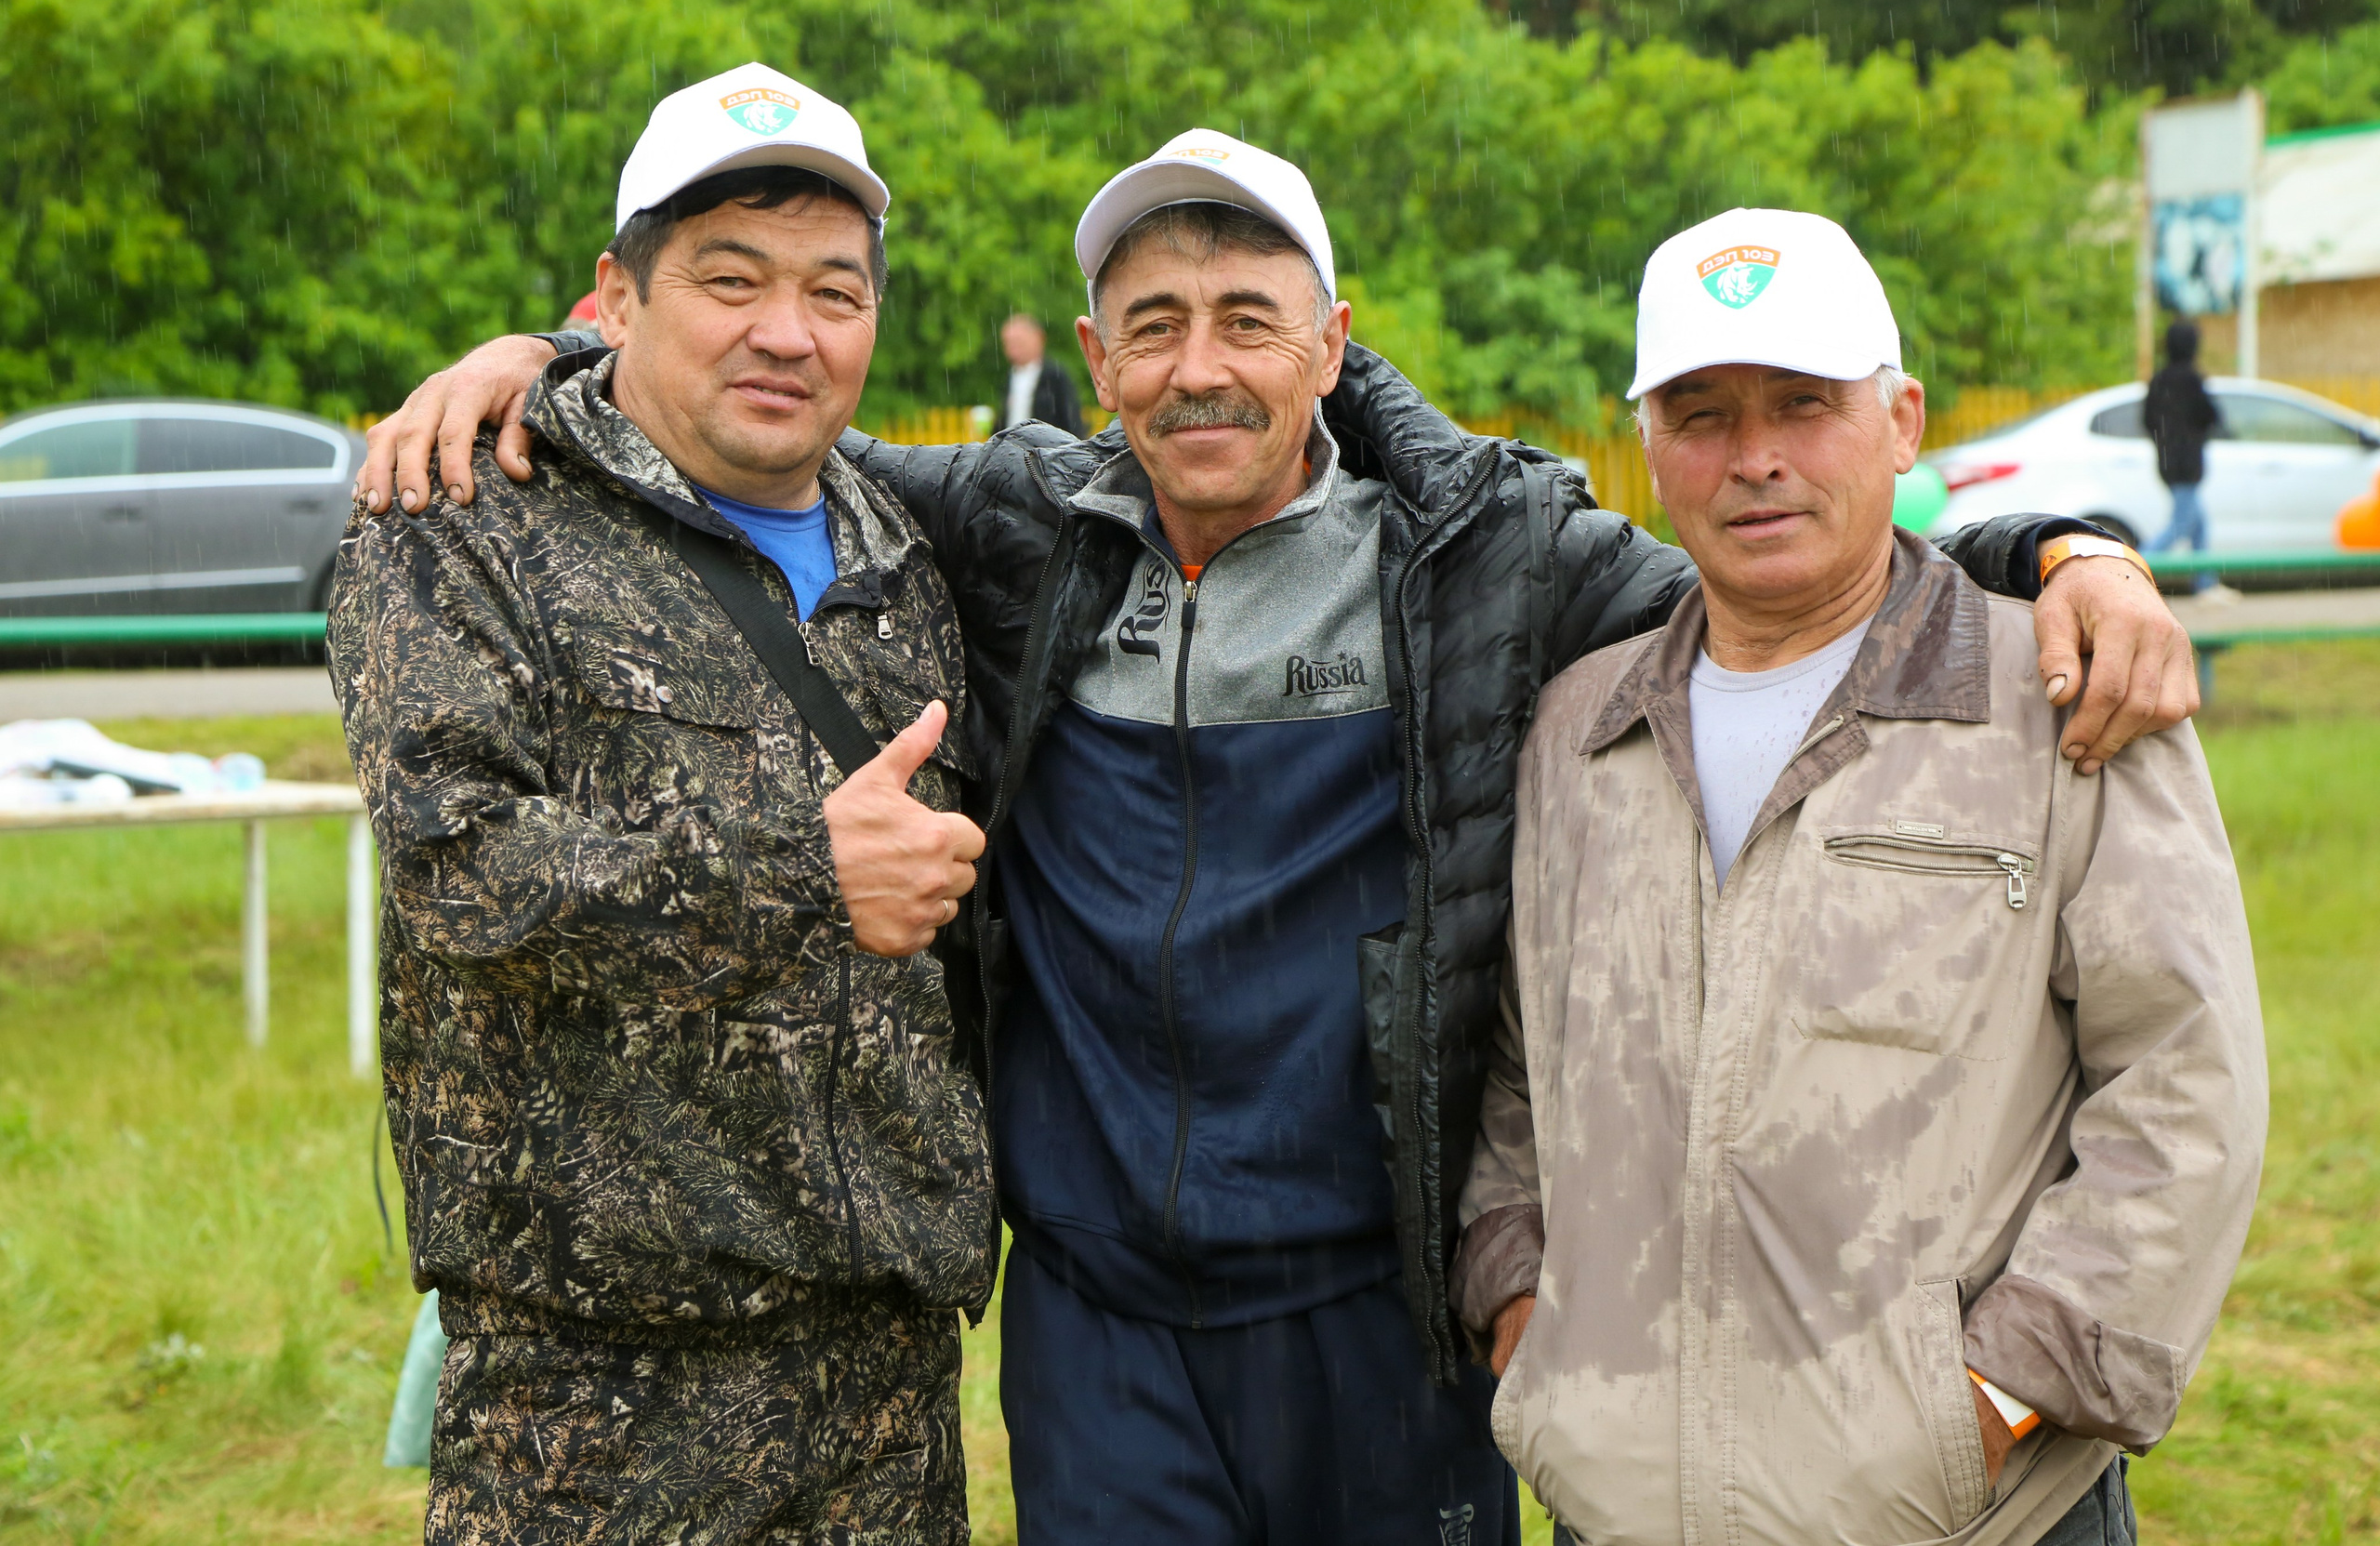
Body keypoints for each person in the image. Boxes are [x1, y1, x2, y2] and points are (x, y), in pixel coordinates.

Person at [355, 130, 2200, 1545]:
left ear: (1331, 339)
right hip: (1092, 1315)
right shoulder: (1014, 528)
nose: (1200, 368)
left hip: (1374, 1311)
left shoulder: (1485, 564)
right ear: (1093, 356)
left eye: (1249, 318)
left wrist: (2058, 552)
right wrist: (547, 356)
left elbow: (1773, 551)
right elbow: (747, 417)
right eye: (1152, 326)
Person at [1455, 209, 2267, 1546]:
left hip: (1965, 1515)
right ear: (1647, 444)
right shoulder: (1576, 730)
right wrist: (1528, 1311)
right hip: (1618, 1506)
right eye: (1703, 411)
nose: (1756, 455)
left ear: (1903, 421)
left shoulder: (2060, 697)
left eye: (1805, 404)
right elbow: (1513, 1069)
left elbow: (2186, 1082)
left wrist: (2002, 1393)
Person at [331, 65, 998, 1544]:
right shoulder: (460, 520)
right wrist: (801, 875)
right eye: (729, 278)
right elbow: (462, 867)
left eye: (836, 290)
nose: (787, 330)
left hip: (888, 1383)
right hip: (595, 1399)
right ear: (616, 299)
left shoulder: (909, 547)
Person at [2144, 319, 2229, 598]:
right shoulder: (2192, 379)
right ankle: (2130, 569)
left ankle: (2205, 583)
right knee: (2181, 526)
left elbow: (2147, 421)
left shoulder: (2158, 379)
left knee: (2198, 523)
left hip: (2167, 464)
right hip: (2189, 465)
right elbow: (2211, 415)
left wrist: (2166, 439)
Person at [998, 311, 1085, 435]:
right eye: (1008, 343)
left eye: (1018, 342)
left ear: (1038, 338)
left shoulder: (1055, 376)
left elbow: (1071, 419)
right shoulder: (1009, 377)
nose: (1012, 349)